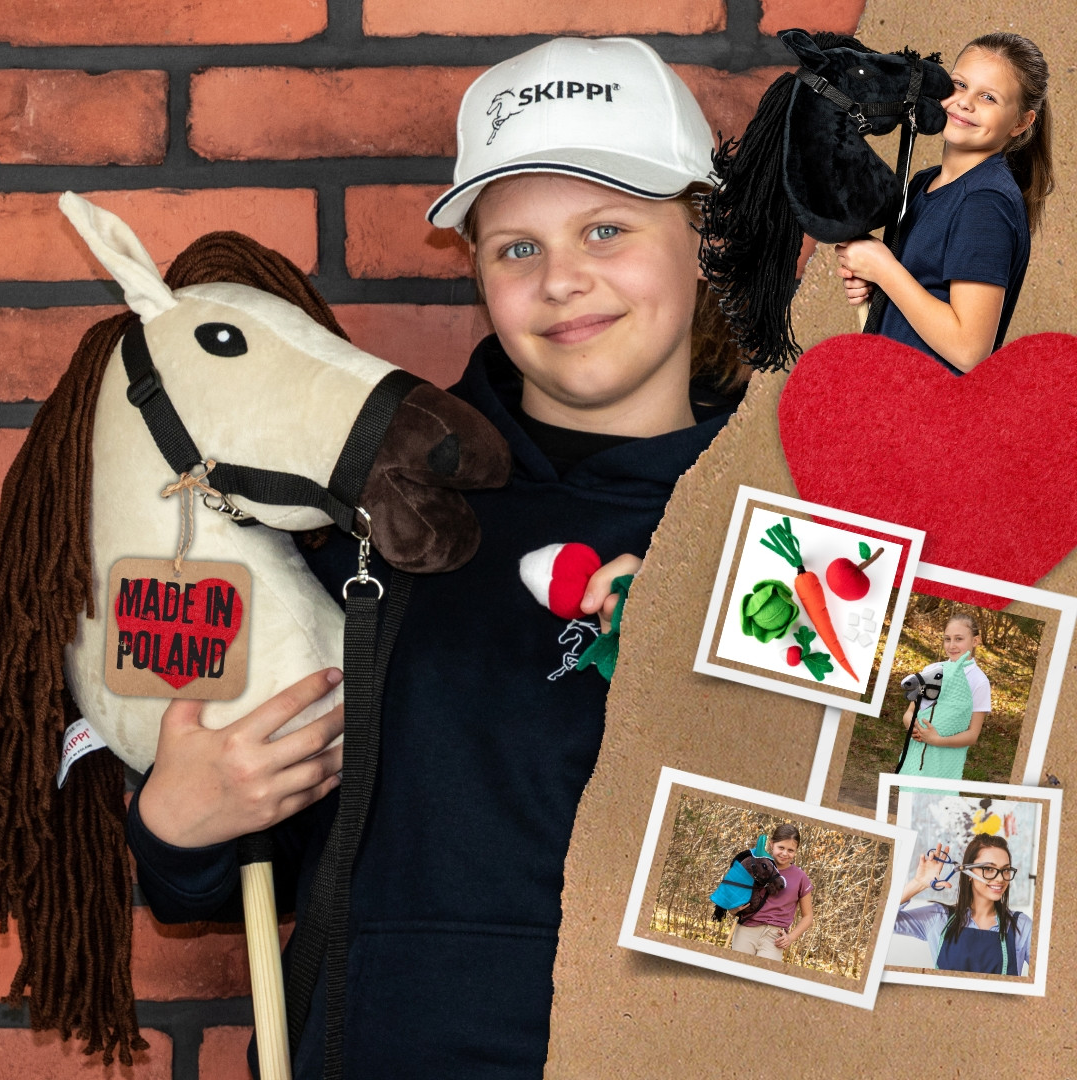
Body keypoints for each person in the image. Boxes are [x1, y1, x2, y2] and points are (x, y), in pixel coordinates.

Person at [125, 37, 749, 1079]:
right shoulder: (375, 510)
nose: (563, 281)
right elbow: (242, 861)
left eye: (607, 229)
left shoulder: (796, 529)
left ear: (706, 242)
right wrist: (178, 825)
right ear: (475, 271)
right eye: (516, 248)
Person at [836, 32, 1054, 374]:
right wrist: (876, 286)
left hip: (932, 405)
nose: (965, 102)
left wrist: (884, 270)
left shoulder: (985, 202)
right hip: (890, 394)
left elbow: (969, 350)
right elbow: (924, 297)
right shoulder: (925, 182)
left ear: (1020, 123)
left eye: (988, 97)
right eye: (959, 84)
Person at [894, 836, 1031, 974]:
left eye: (1006, 870)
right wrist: (918, 883)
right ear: (969, 873)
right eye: (989, 869)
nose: (1000, 878)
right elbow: (881, 920)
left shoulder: (1022, 925)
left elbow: (1044, 977)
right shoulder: (937, 917)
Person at [898, 613, 991, 781]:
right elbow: (910, 712)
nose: (951, 645)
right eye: (947, 639)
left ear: (975, 641)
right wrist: (913, 727)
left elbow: (972, 735)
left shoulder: (979, 681)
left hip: (944, 765)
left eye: (959, 639)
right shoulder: (931, 670)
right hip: (914, 758)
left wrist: (936, 740)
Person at [728, 824, 814, 960]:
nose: (785, 853)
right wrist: (734, 909)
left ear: (796, 850)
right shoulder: (754, 866)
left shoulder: (800, 877)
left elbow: (808, 916)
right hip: (746, 929)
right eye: (781, 848)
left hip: (775, 938)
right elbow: (733, 900)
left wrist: (791, 937)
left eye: (790, 850)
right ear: (772, 844)